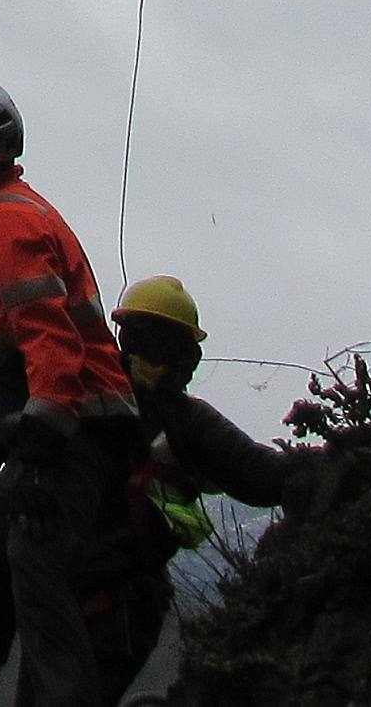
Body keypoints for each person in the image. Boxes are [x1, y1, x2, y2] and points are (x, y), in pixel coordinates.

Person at [0, 79, 140, 707]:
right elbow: (27, 366)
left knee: (35, 595)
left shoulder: (8, 222)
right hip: (65, 434)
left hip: (73, 439)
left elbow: (51, 347)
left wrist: (41, 459)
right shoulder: (6, 213)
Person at [74, 276, 293, 699]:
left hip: (113, 609)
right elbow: (263, 477)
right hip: (71, 604)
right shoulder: (86, 400)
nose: (153, 359)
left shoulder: (185, 424)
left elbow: (262, 476)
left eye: (167, 348)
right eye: (143, 341)